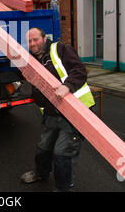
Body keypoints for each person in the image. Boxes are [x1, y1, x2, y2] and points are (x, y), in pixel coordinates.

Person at [18, 27, 95, 192]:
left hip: (75, 112)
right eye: (29, 41)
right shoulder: (32, 61)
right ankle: (41, 173)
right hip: (52, 113)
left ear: (44, 39)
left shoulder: (60, 49)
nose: (32, 44)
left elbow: (79, 71)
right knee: (43, 148)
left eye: (36, 39)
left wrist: (67, 86)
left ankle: (64, 188)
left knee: (62, 154)